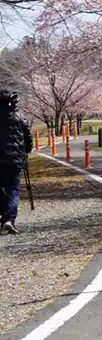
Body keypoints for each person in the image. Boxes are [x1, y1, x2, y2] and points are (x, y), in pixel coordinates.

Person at [0, 90, 33, 235]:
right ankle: (9, 219)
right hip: (15, 160)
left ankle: (3, 216)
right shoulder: (19, 117)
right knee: (13, 189)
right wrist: (26, 151)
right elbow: (28, 138)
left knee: (1, 189)